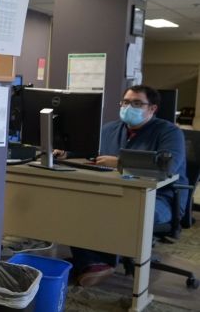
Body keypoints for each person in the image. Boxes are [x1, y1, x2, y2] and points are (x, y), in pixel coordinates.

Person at [57, 85, 188, 287]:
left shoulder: (169, 132)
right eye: (126, 102)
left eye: (137, 103)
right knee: (78, 205)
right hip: (116, 191)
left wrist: (119, 163)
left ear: (152, 108)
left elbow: (168, 165)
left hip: (162, 197)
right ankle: (96, 262)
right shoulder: (110, 129)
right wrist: (68, 153)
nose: (129, 107)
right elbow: (92, 152)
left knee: (117, 212)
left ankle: (97, 262)